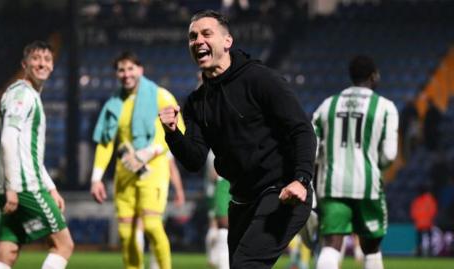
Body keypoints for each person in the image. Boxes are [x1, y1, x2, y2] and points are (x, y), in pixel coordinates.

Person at [159, 10, 316, 268]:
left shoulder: (260, 79)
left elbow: (301, 129)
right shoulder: (196, 103)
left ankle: (308, 214)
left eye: (206, 33)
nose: (197, 40)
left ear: (227, 41)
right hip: (242, 201)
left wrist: (301, 180)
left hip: (282, 192)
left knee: (246, 265)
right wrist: (173, 133)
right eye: (192, 37)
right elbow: (195, 159)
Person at [90, 51, 185, 269]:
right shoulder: (113, 104)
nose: (126, 74)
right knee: (125, 233)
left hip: (153, 170)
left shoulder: (160, 95)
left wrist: (152, 150)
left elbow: (178, 128)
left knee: (151, 225)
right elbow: (105, 142)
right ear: (117, 74)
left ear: (140, 70)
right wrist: (96, 178)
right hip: (125, 174)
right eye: (121, 70)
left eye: (130, 68)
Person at [0, 40, 74, 269]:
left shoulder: (24, 94)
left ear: (52, 66)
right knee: (63, 245)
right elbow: (8, 140)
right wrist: (13, 188)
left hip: (10, 186)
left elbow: (28, 154)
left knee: (6, 252)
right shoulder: (22, 95)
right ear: (24, 64)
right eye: (36, 59)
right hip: (23, 187)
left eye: (47, 59)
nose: (42, 64)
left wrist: (52, 187)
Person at [312, 55, 398, 269]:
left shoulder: (327, 105)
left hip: (332, 185)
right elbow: (389, 155)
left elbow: (311, 151)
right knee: (371, 247)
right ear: (373, 76)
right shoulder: (385, 107)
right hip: (367, 186)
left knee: (331, 244)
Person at [410, 184, 437, 257]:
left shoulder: (425, 199)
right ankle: (422, 252)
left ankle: (427, 252)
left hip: (425, 223)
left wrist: (418, 218)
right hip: (423, 223)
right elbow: (433, 210)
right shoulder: (428, 199)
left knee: (425, 240)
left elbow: (432, 211)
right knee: (423, 240)